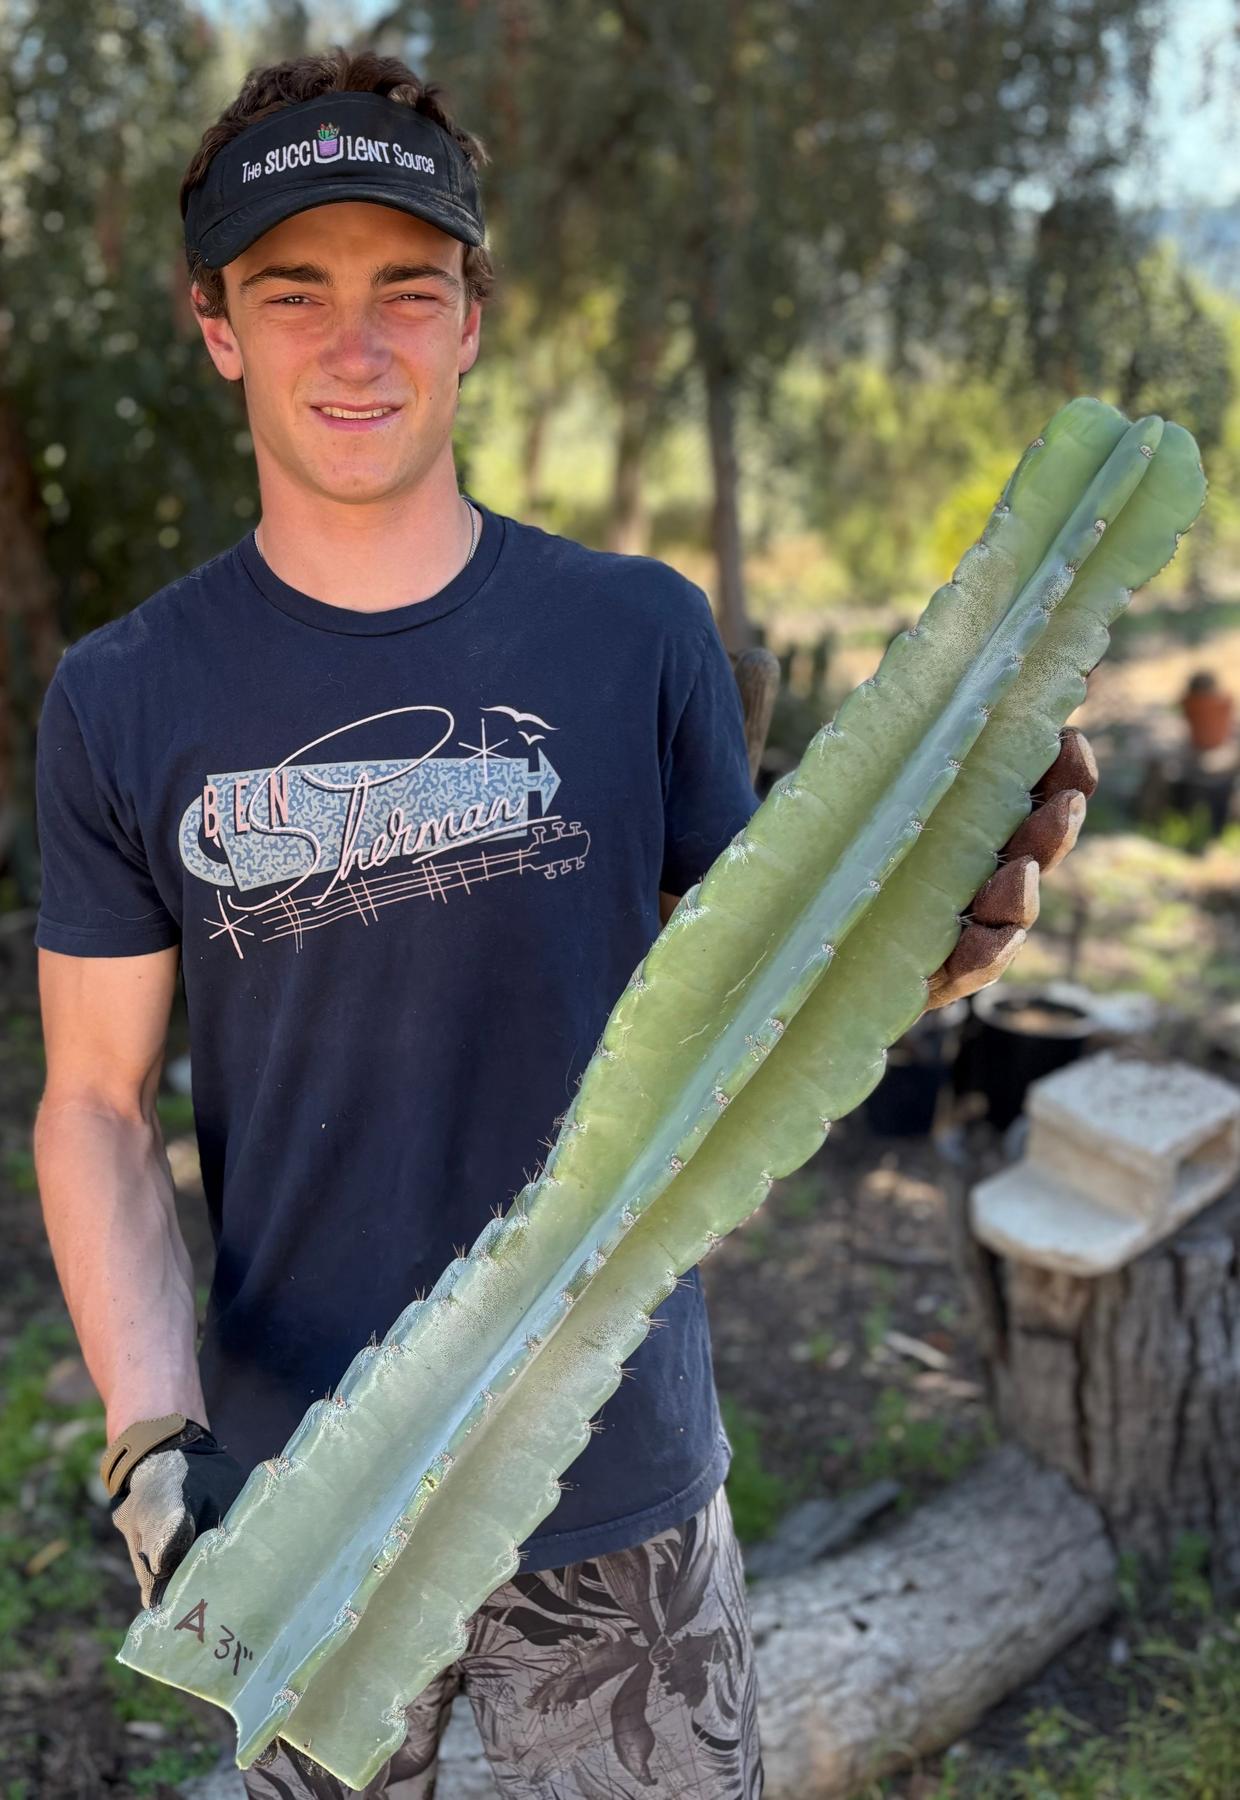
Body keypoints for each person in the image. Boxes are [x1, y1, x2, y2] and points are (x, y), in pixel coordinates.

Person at [31, 45, 1095, 1800]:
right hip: (301, 1510)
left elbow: (741, 1009)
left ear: (473, 319)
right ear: (216, 325)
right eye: (294, 293)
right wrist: (155, 1444)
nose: (353, 345)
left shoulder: (639, 635)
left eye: (407, 290)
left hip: (617, 1493)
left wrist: (923, 947)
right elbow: (91, 1100)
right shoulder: (125, 695)